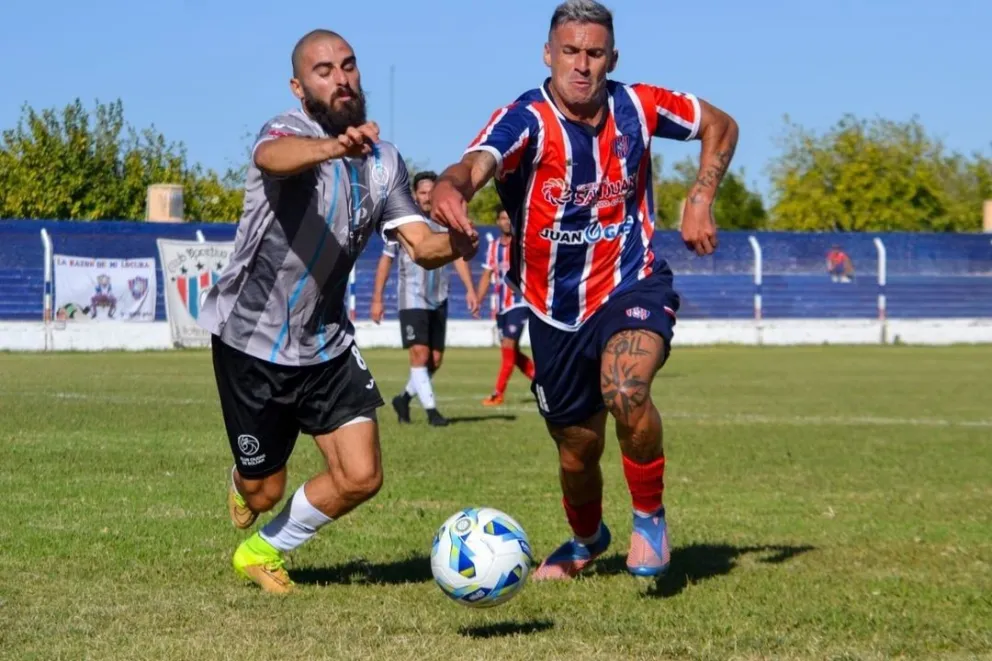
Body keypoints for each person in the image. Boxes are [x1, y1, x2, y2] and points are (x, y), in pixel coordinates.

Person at [430, 0, 738, 580]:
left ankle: (649, 516)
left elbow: (720, 124)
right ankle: (586, 539)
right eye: (569, 51)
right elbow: (474, 164)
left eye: (594, 53)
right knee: (577, 450)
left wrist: (700, 198)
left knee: (626, 387)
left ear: (612, 58)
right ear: (548, 54)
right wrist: (451, 189)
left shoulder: (638, 106)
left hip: (630, 281)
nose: (581, 64)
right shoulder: (525, 120)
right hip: (553, 310)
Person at [196, 28, 477, 594]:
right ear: (299, 88)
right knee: (264, 492)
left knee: (362, 474)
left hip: (326, 342)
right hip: (251, 343)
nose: (340, 78)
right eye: (323, 71)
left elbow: (421, 246)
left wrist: (459, 242)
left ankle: (263, 550)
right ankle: (246, 481)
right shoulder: (287, 133)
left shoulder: (385, 162)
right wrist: (334, 148)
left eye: (347, 65)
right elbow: (271, 158)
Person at [370, 171, 479, 427]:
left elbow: (459, 257)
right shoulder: (404, 223)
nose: (428, 197)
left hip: (439, 297)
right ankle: (432, 413)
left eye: (431, 191)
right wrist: (377, 298)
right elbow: (385, 261)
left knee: (435, 360)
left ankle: (403, 399)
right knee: (420, 354)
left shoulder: (448, 222)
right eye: (422, 192)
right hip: (412, 298)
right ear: (415, 196)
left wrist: (470, 289)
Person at [475, 206, 535, 405]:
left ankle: (497, 393)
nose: (506, 221)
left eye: (509, 218)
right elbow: (487, 275)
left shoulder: (522, 244)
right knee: (512, 352)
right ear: (497, 222)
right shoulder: (493, 247)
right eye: (502, 218)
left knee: (508, 347)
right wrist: (478, 300)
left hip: (519, 303)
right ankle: (542, 382)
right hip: (501, 306)